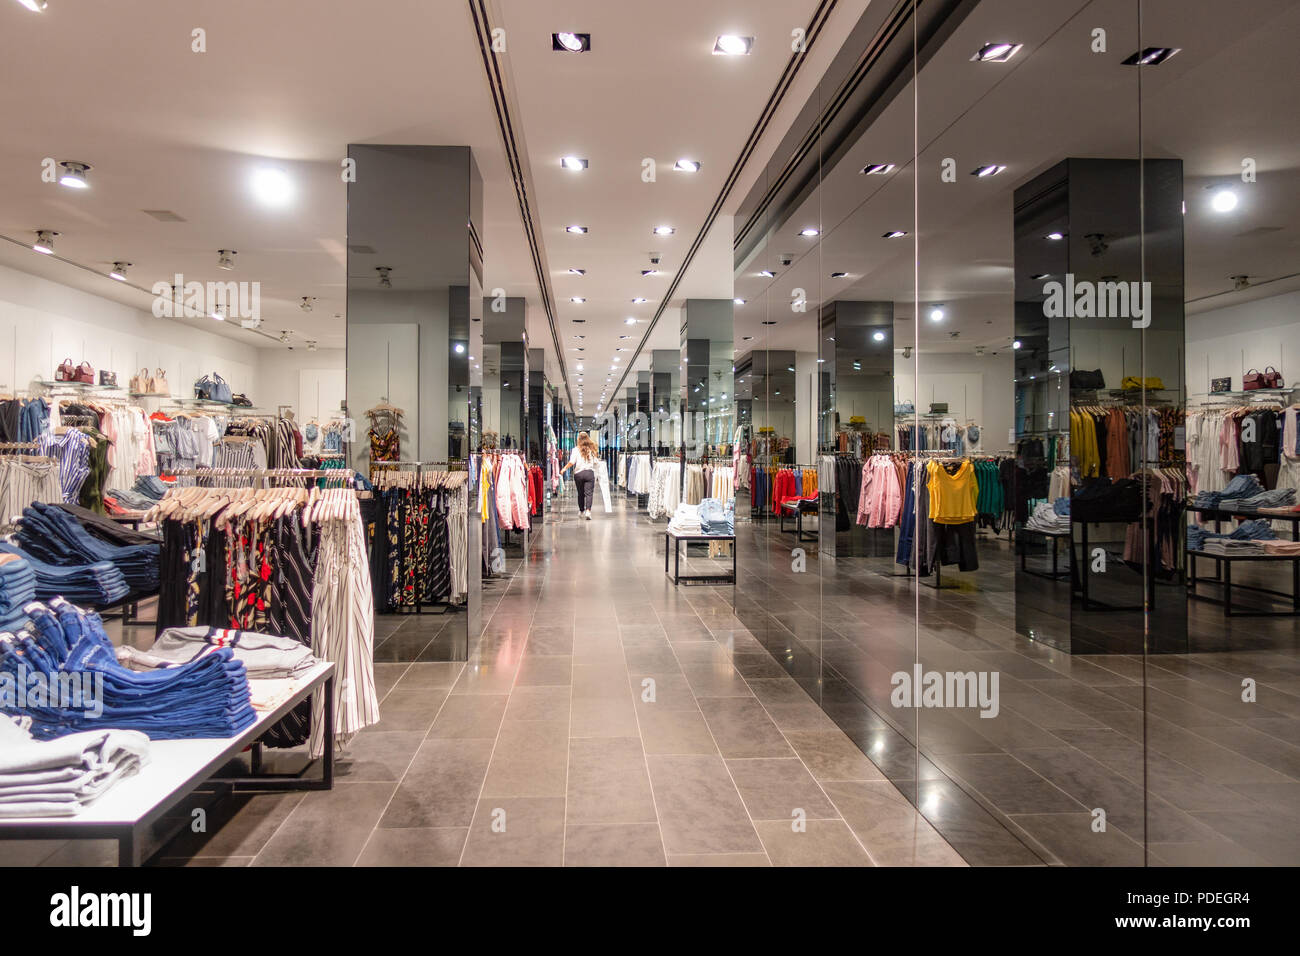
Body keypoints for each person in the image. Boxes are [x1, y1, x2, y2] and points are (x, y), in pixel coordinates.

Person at [559, 431, 600, 520]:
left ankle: (581, 510)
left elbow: (572, 462)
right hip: (589, 473)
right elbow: (596, 462)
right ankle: (588, 511)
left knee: (580, 493)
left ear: (578, 439)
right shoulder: (591, 449)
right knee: (589, 493)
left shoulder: (575, 449)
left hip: (579, 474)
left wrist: (564, 469)